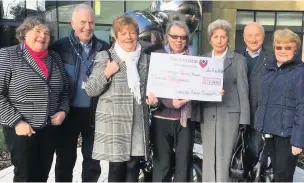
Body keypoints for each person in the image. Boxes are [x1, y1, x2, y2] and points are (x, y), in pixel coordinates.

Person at [85, 15, 157, 182]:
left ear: (138, 34)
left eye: (132, 32)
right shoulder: (105, 57)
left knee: (133, 166)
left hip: (138, 121)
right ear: (115, 36)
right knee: (116, 167)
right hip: (114, 123)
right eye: (123, 33)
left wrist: (154, 101)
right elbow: (90, 89)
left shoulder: (147, 60)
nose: (128, 37)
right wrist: (106, 73)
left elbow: (152, 92)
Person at [0, 16, 69, 182]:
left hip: (48, 129)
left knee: (42, 175)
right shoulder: (8, 55)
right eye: (37, 31)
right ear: (24, 33)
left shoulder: (55, 58)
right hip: (22, 130)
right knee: (24, 176)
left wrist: (63, 111)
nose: (43, 36)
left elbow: (65, 90)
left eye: (46, 33)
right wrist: (17, 122)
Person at [50, 3, 110, 182]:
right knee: (65, 159)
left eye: (91, 22)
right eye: (83, 22)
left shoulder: (103, 48)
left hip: (94, 112)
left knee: (92, 161)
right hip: (67, 112)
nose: (88, 27)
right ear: (73, 23)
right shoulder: (59, 48)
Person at [201, 19, 250, 182]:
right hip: (207, 115)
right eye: (216, 37)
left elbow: (244, 91)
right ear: (210, 40)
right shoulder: (202, 60)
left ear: (228, 39)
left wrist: (244, 122)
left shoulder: (238, 60)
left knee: (226, 157)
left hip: (230, 116)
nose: (220, 40)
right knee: (209, 157)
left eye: (223, 37)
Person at [148, 21, 196, 182]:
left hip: (185, 121)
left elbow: (199, 86)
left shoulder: (194, 60)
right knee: (163, 165)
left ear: (187, 39)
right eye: (174, 36)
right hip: (161, 119)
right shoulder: (158, 57)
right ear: (167, 37)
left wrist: (213, 91)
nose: (178, 40)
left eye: (182, 37)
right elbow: (154, 86)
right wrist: (170, 103)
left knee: (184, 166)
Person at [255, 28, 304, 182]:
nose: (282, 51)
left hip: (287, 136)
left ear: (295, 50)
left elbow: (302, 107)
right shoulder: (269, 69)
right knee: (275, 175)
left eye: (288, 47)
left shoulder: (300, 72)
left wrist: (298, 140)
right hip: (271, 132)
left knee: (283, 177)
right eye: (279, 47)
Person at [242, 22, 272, 177]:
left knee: (255, 152)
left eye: (257, 35)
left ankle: (253, 177)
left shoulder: (272, 59)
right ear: (244, 37)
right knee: (236, 153)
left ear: (263, 37)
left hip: (259, 116)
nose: (253, 39)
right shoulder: (236, 56)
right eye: (249, 35)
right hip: (238, 115)